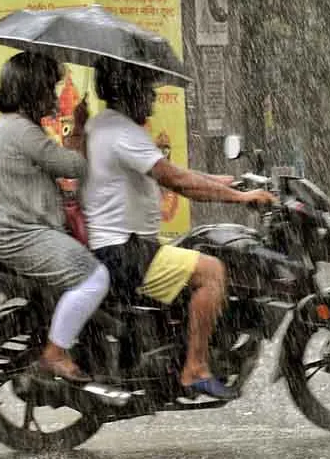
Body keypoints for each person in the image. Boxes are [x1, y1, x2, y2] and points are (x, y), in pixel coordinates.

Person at [82, 57, 276, 400]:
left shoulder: (104, 125)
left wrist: (226, 182)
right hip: (125, 251)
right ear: (128, 91)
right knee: (212, 270)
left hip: (117, 246)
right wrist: (239, 199)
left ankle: (179, 351)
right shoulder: (123, 132)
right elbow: (178, 181)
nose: (153, 101)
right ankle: (195, 368)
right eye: (147, 90)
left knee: (198, 253)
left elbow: (171, 173)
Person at [0, 52, 110, 381]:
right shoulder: (22, 130)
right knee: (95, 277)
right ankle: (55, 353)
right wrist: (78, 130)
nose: (53, 95)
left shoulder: (10, 127)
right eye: (49, 87)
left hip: (0, 230)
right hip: (17, 234)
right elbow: (74, 166)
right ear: (33, 90)